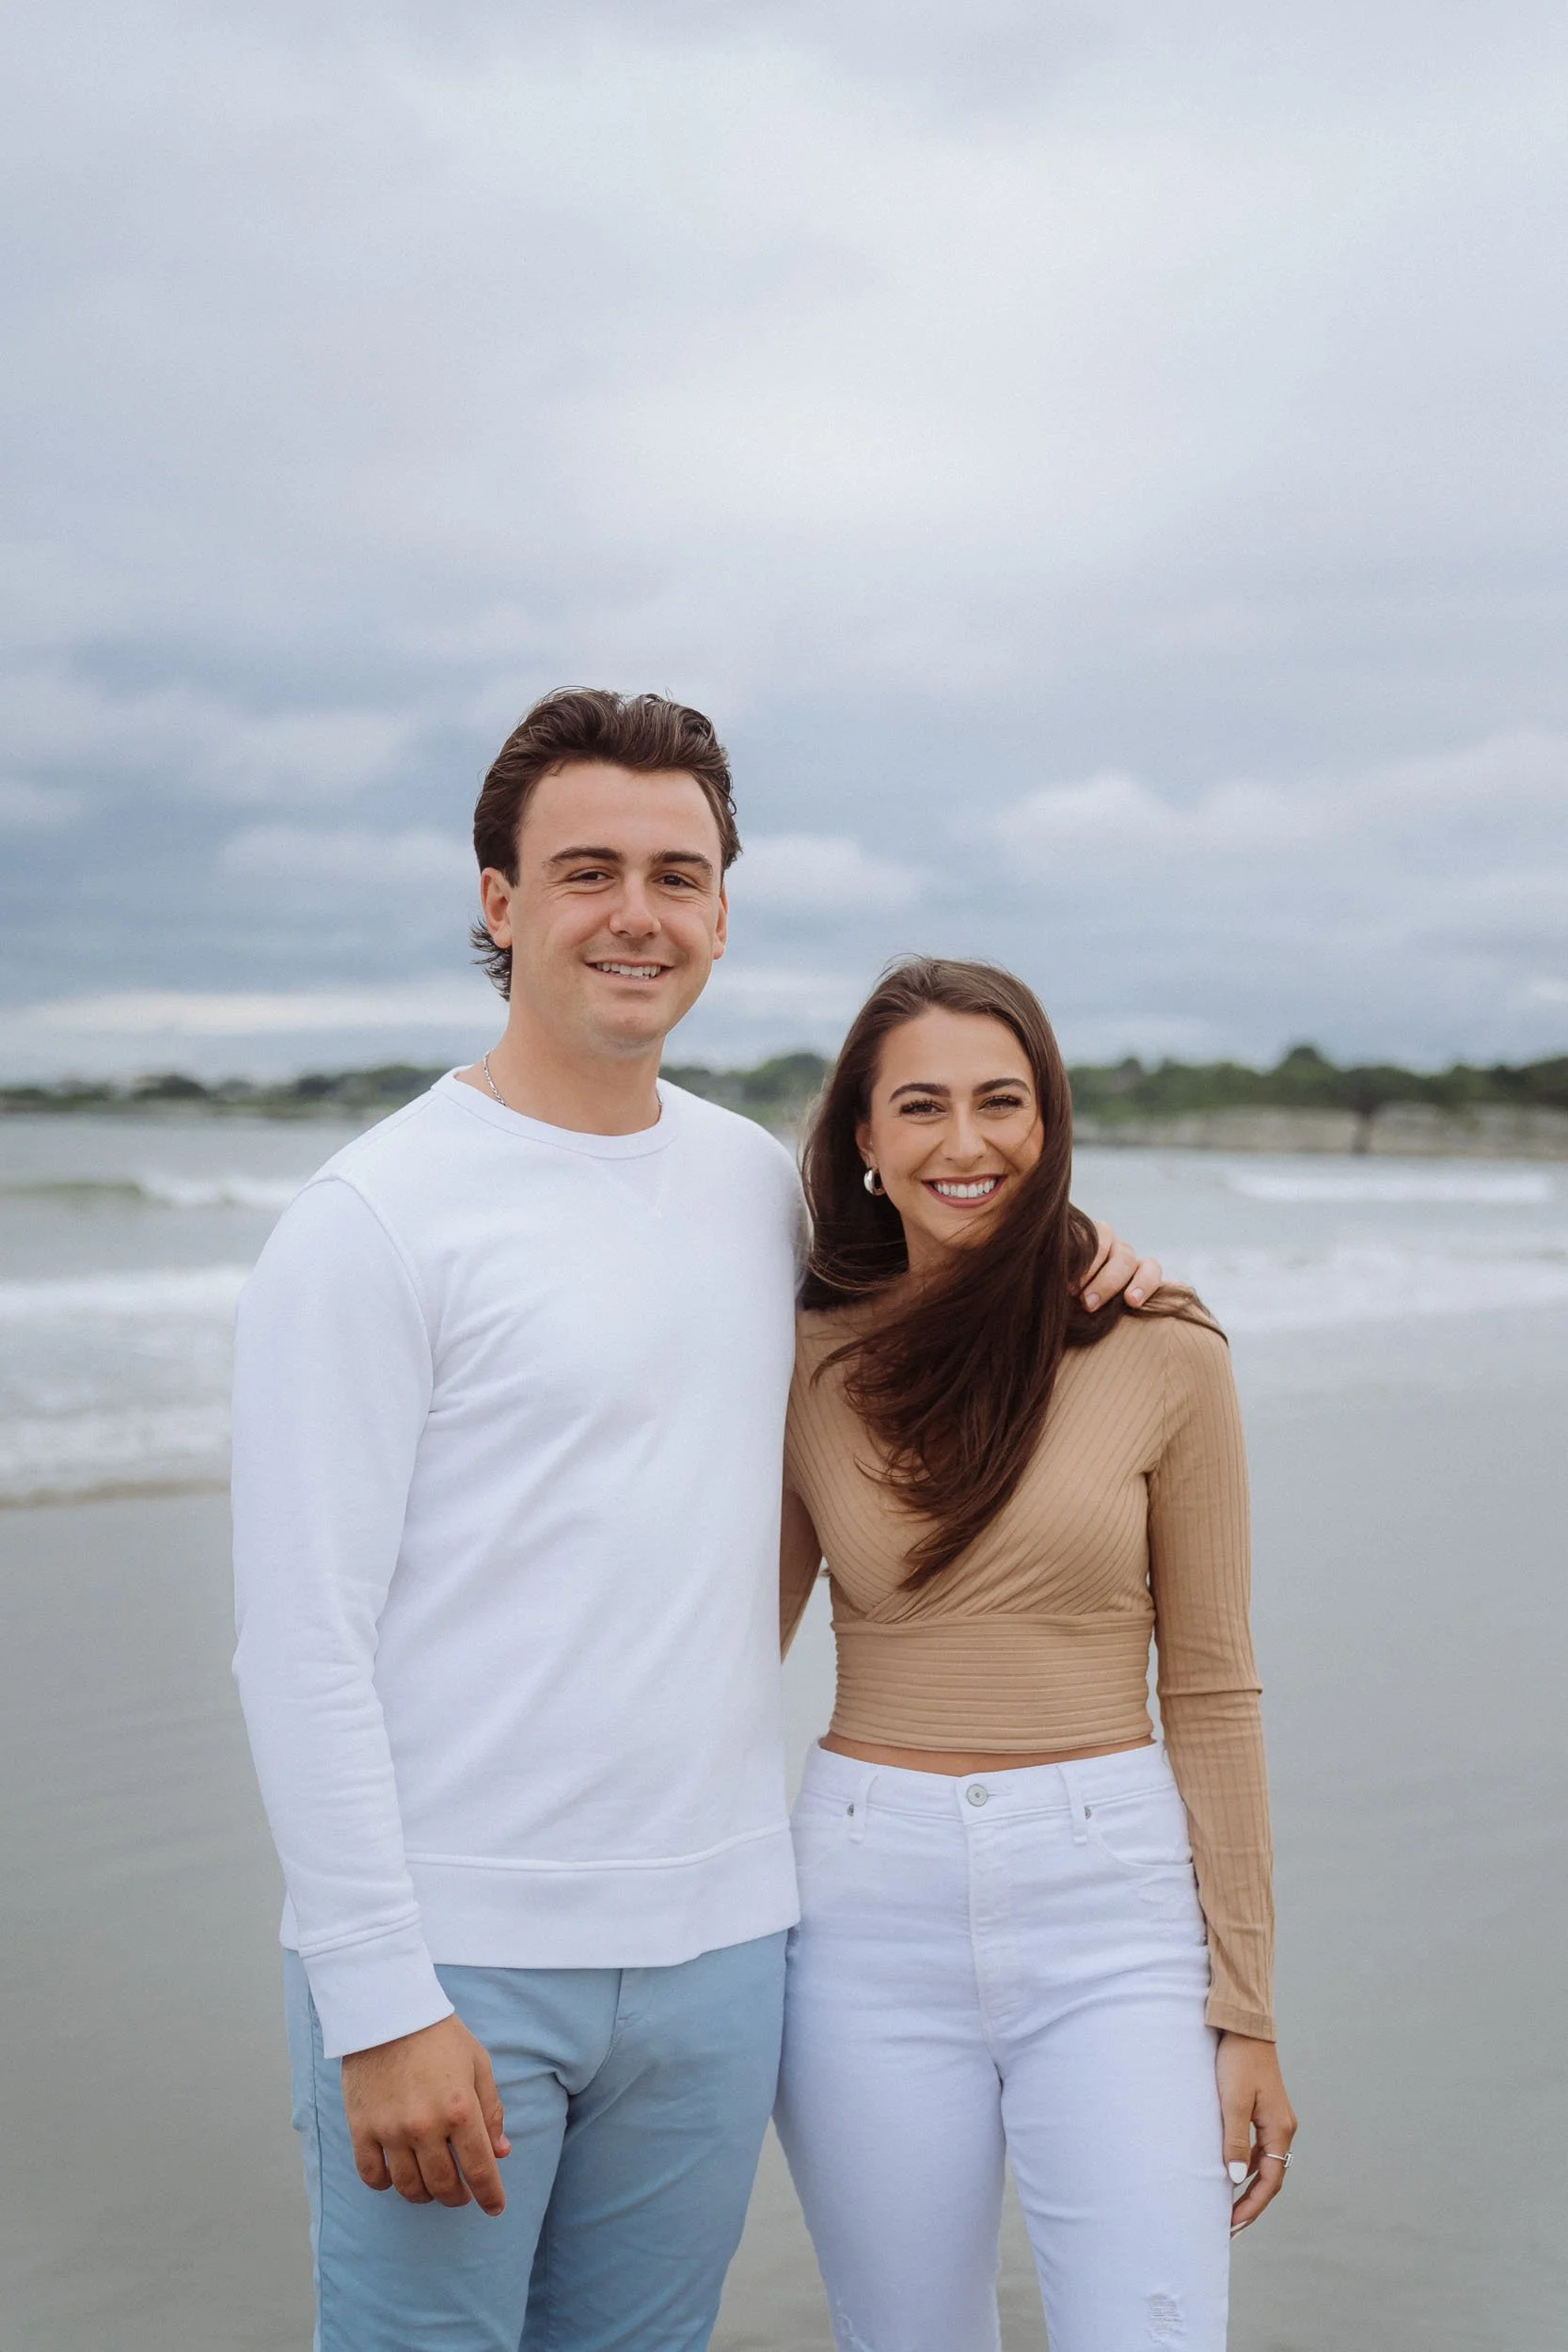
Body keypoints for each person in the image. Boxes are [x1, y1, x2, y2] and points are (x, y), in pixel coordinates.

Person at [230, 689, 1159, 2352]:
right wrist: (376, 1998)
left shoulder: (757, 1191)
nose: (636, 914)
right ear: (499, 904)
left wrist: (1089, 1258)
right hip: (458, 1962)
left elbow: (940, 1271)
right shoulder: (371, 1220)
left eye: (678, 872)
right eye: (585, 870)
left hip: (724, 1955)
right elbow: (299, 1640)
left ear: (723, 910)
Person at [776, 957, 1296, 2352]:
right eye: (922, 1107)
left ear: (1050, 1120)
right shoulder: (799, 1354)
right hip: (861, 1907)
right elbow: (719, 1653)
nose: (967, 1143)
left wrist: (1244, 2007)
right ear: (864, 1144)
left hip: (1111, 1907)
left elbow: (1211, 1685)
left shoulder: (1163, 1348)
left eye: (1003, 1102)